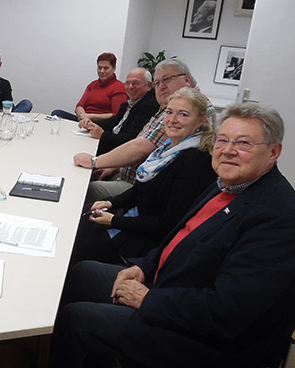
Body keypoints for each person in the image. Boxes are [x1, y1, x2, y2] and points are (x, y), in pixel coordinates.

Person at [51, 103, 295, 368]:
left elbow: (227, 312)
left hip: (204, 341)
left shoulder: (281, 220)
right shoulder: (226, 184)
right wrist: (144, 267)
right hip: (170, 287)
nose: (228, 150)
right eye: (223, 140)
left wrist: (147, 298)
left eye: (244, 143)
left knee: (77, 319)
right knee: (83, 272)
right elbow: (180, 240)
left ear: (273, 152)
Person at [70, 88, 216, 266]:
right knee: (77, 220)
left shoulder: (196, 161)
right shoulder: (168, 148)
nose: (172, 120)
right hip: (133, 219)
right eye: (169, 112)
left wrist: (115, 220)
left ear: (200, 121)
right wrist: (112, 203)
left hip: (145, 241)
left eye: (183, 114)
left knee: (75, 245)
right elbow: (141, 189)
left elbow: (167, 224)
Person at [74, 59, 215, 203]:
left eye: (166, 79)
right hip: (133, 176)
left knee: (84, 187)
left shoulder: (194, 106)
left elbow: (141, 148)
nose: (161, 87)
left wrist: (94, 161)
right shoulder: (170, 104)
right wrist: (114, 166)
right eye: (158, 82)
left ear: (186, 79)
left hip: (144, 187)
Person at [78, 68, 159, 156]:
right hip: (111, 144)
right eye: (127, 83)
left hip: (118, 152)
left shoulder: (149, 106)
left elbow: (131, 140)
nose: (130, 87)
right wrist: (91, 123)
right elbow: (113, 121)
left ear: (149, 86)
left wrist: (103, 135)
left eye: (136, 83)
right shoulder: (129, 103)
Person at [51, 53, 127, 122]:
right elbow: (79, 106)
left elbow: (116, 115)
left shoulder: (119, 87)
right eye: (99, 68)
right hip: (84, 120)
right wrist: (82, 115)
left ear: (114, 68)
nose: (102, 71)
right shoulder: (92, 85)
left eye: (106, 68)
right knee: (57, 113)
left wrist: (89, 116)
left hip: (100, 124)